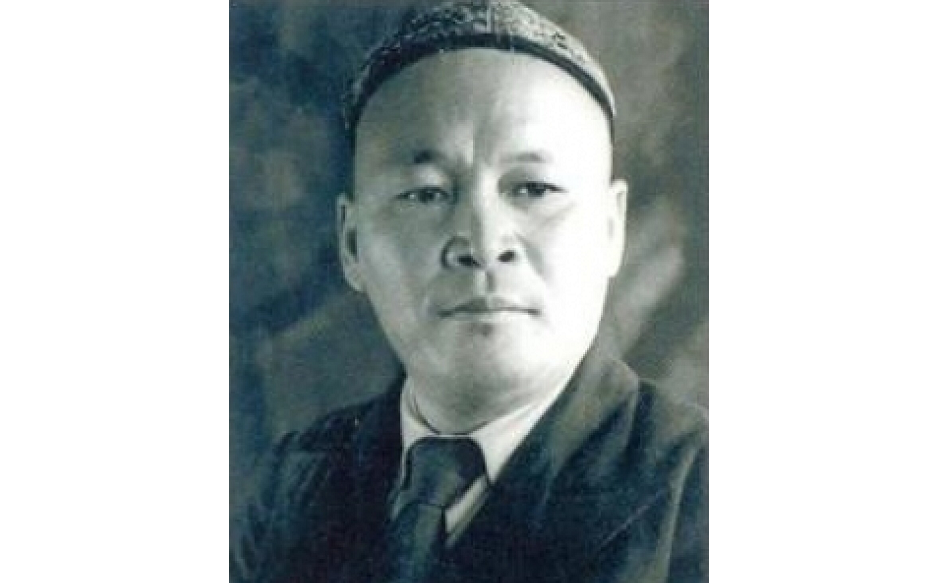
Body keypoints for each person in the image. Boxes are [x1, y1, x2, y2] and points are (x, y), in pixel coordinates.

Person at [231, 1, 707, 582]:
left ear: (611, 230)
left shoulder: (703, 490)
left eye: (533, 188)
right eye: (426, 193)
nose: (482, 243)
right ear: (352, 243)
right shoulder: (293, 486)